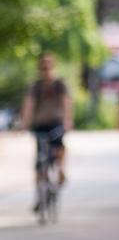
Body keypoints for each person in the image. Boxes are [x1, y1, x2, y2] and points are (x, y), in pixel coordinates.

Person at [20, 53, 72, 195]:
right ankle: (39, 195)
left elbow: (66, 103)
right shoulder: (35, 86)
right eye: (43, 66)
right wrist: (24, 123)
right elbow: (28, 105)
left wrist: (67, 120)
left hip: (56, 122)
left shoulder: (59, 84)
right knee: (39, 159)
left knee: (59, 148)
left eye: (48, 65)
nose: (46, 69)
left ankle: (61, 169)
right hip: (40, 123)